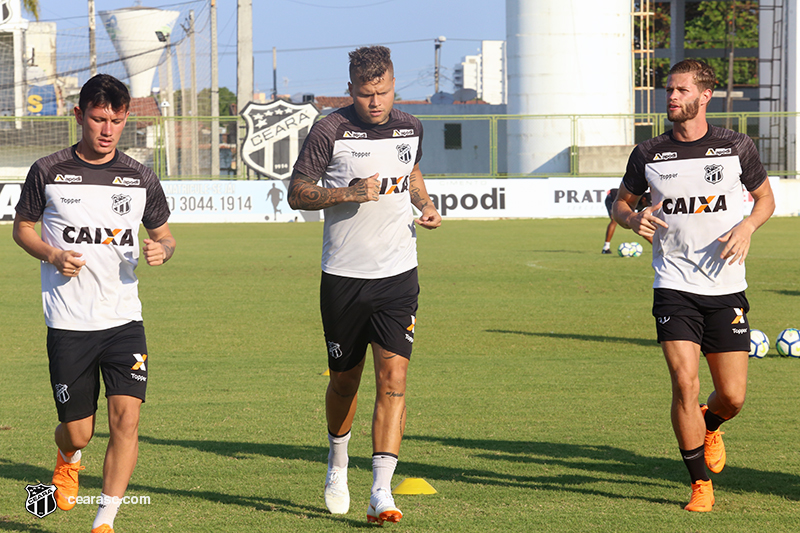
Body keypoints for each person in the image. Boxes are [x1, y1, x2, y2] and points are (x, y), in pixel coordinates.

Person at [13, 74, 175, 533]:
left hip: (124, 320)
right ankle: (68, 456)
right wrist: (52, 254)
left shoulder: (140, 177)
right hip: (69, 322)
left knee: (127, 419)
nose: (108, 130)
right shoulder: (48, 170)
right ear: (79, 115)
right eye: (99, 119)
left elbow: (165, 235)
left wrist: (162, 250)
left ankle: (105, 520)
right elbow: (22, 228)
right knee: (79, 431)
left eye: (117, 121)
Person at [288, 45, 441, 524]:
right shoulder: (329, 129)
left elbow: (411, 171)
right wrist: (346, 193)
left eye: (384, 92)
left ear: (394, 86)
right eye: (365, 94)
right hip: (344, 278)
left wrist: (425, 204)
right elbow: (297, 193)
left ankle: (381, 490)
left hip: (399, 275)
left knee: (393, 380)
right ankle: (337, 463)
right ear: (350, 89)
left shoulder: (410, 127)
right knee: (344, 381)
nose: (376, 102)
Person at [613, 59, 774, 512]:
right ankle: (699, 483)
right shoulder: (648, 153)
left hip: (726, 286)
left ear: (705, 96)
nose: (671, 97)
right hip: (674, 285)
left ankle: (712, 424)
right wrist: (632, 219)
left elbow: (765, 199)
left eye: (681, 90)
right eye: (669, 89)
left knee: (733, 397)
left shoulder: (736, 146)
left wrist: (747, 227)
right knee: (684, 383)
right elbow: (620, 204)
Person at [602, 188, 652, 253]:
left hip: (626, 203)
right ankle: (606, 247)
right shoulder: (636, 197)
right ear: (643, 199)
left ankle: (656, 246)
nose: (647, 205)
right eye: (647, 203)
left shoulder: (643, 202)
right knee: (614, 220)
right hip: (613, 197)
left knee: (640, 223)